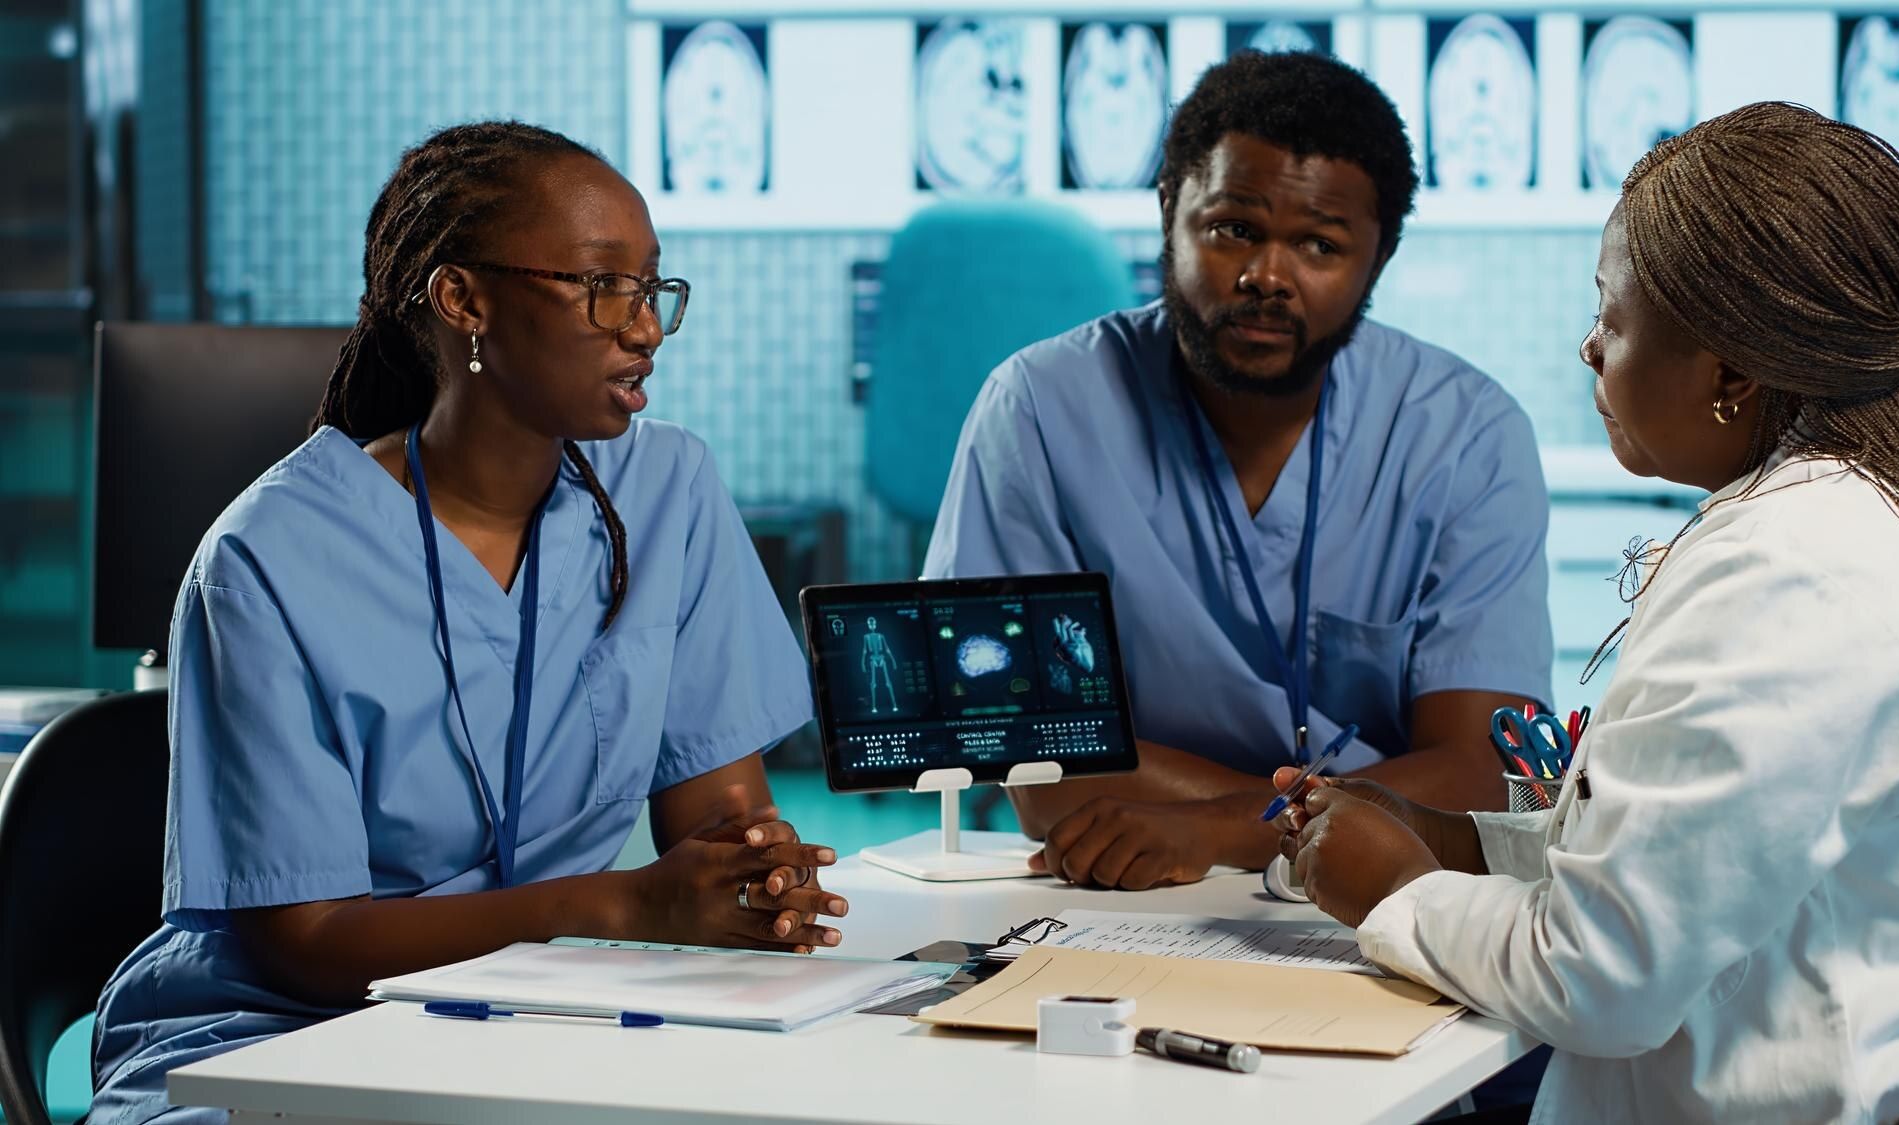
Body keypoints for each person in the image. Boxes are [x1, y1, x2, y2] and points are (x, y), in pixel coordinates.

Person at [90, 122, 846, 1125]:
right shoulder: (266, 559)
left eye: (652, 288)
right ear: (463, 300)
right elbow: (305, 944)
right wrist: (621, 905)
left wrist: (758, 876)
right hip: (278, 1034)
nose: (645, 329)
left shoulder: (667, 487)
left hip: (550, 1010)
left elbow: (719, 818)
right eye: (601, 286)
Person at [1275, 102, 1899, 1122]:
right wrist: (1462, 842)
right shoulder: (1887, 514)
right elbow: (1696, 853)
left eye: (1611, 320)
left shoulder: (1790, 574)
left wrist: (1396, 889)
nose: (1588, 349)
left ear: (1730, 372)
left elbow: (1598, 976)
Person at [924, 51, 1552, 890]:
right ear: (1168, 209)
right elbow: (1036, 761)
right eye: (1232, 230)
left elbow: (1486, 773)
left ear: (1379, 256)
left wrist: (1226, 825)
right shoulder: (1041, 408)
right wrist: (1339, 809)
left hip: (1386, 893)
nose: (1267, 277)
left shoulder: (1466, 435)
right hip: (1124, 885)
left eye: (1320, 245)